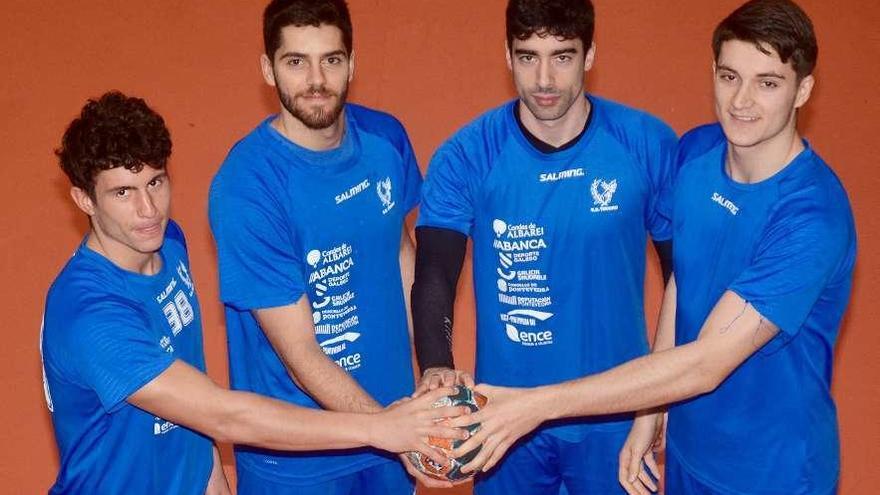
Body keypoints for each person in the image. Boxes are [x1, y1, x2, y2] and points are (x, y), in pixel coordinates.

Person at [450, 2, 855, 494]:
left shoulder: (811, 217)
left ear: (803, 89)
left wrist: (535, 404)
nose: (742, 101)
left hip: (775, 472)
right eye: (730, 77)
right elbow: (683, 278)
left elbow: (705, 363)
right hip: (688, 454)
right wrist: (648, 413)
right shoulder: (697, 154)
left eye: (767, 83)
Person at [40, 91, 465, 495]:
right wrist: (381, 429)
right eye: (122, 193)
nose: (148, 210)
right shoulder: (91, 317)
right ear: (84, 199)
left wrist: (212, 479)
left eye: (156, 182)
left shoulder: (167, 244)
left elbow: (188, 380)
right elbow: (223, 415)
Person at [411, 0, 677, 493]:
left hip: (614, 412)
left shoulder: (646, 144)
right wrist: (436, 366)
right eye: (528, 56)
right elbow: (434, 275)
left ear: (590, 55)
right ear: (507, 56)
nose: (544, 79)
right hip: (504, 418)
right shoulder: (467, 155)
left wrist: (657, 396)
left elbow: (686, 276)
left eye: (562, 56)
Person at [208, 0, 439, 492]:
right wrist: (391, 431)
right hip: (299, 461)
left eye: (331, 60)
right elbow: (300, 353)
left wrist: (430, 368)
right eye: (296, 62)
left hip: (390, 426)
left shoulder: (386, 137)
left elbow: (401, 254)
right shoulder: (247, 187)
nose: (316, 80)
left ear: (352, 63)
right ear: (268, 69)